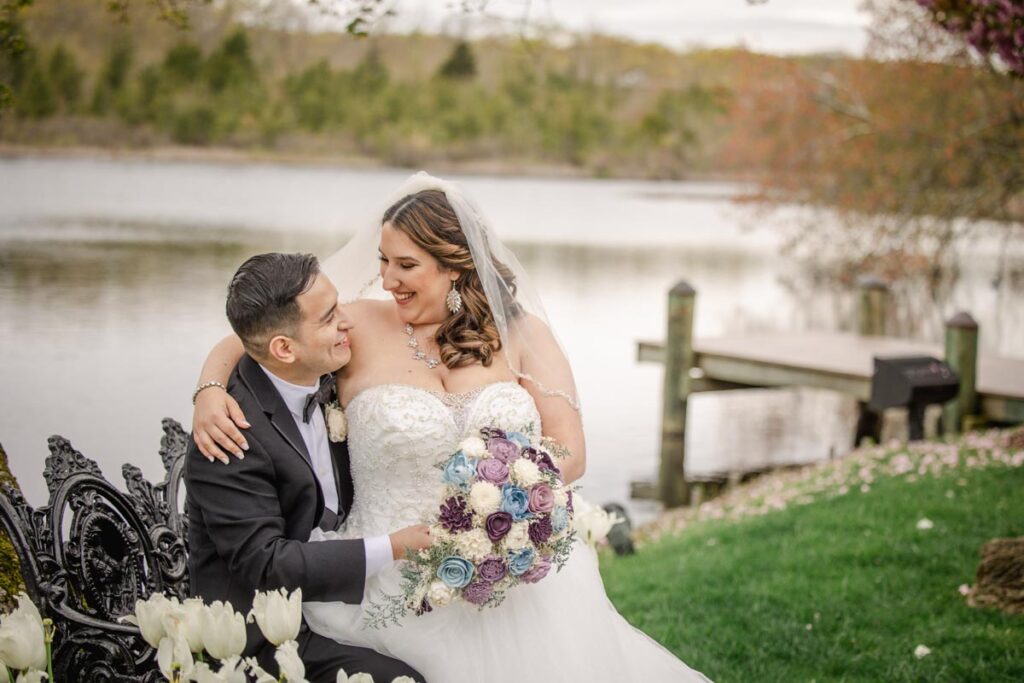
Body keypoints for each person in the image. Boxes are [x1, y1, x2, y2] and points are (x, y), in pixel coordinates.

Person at [192, 174, 712, 682]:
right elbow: (255, 338)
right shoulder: (361, 324)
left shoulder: (523, 334)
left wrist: (508, 498)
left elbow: (571, 452)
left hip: (509, 562)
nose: (388, 278)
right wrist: (210, 390)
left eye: (406, 265)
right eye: (382, 261)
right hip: (386, 574)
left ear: (455, 267)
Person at [185, 252, 428, 683]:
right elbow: (266, 565)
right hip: (267, 634)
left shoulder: (325, 369)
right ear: (284, 348)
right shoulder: (229, 433)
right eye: (331, 317)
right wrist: (392, 547)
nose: (349, 323)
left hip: (333, 595)